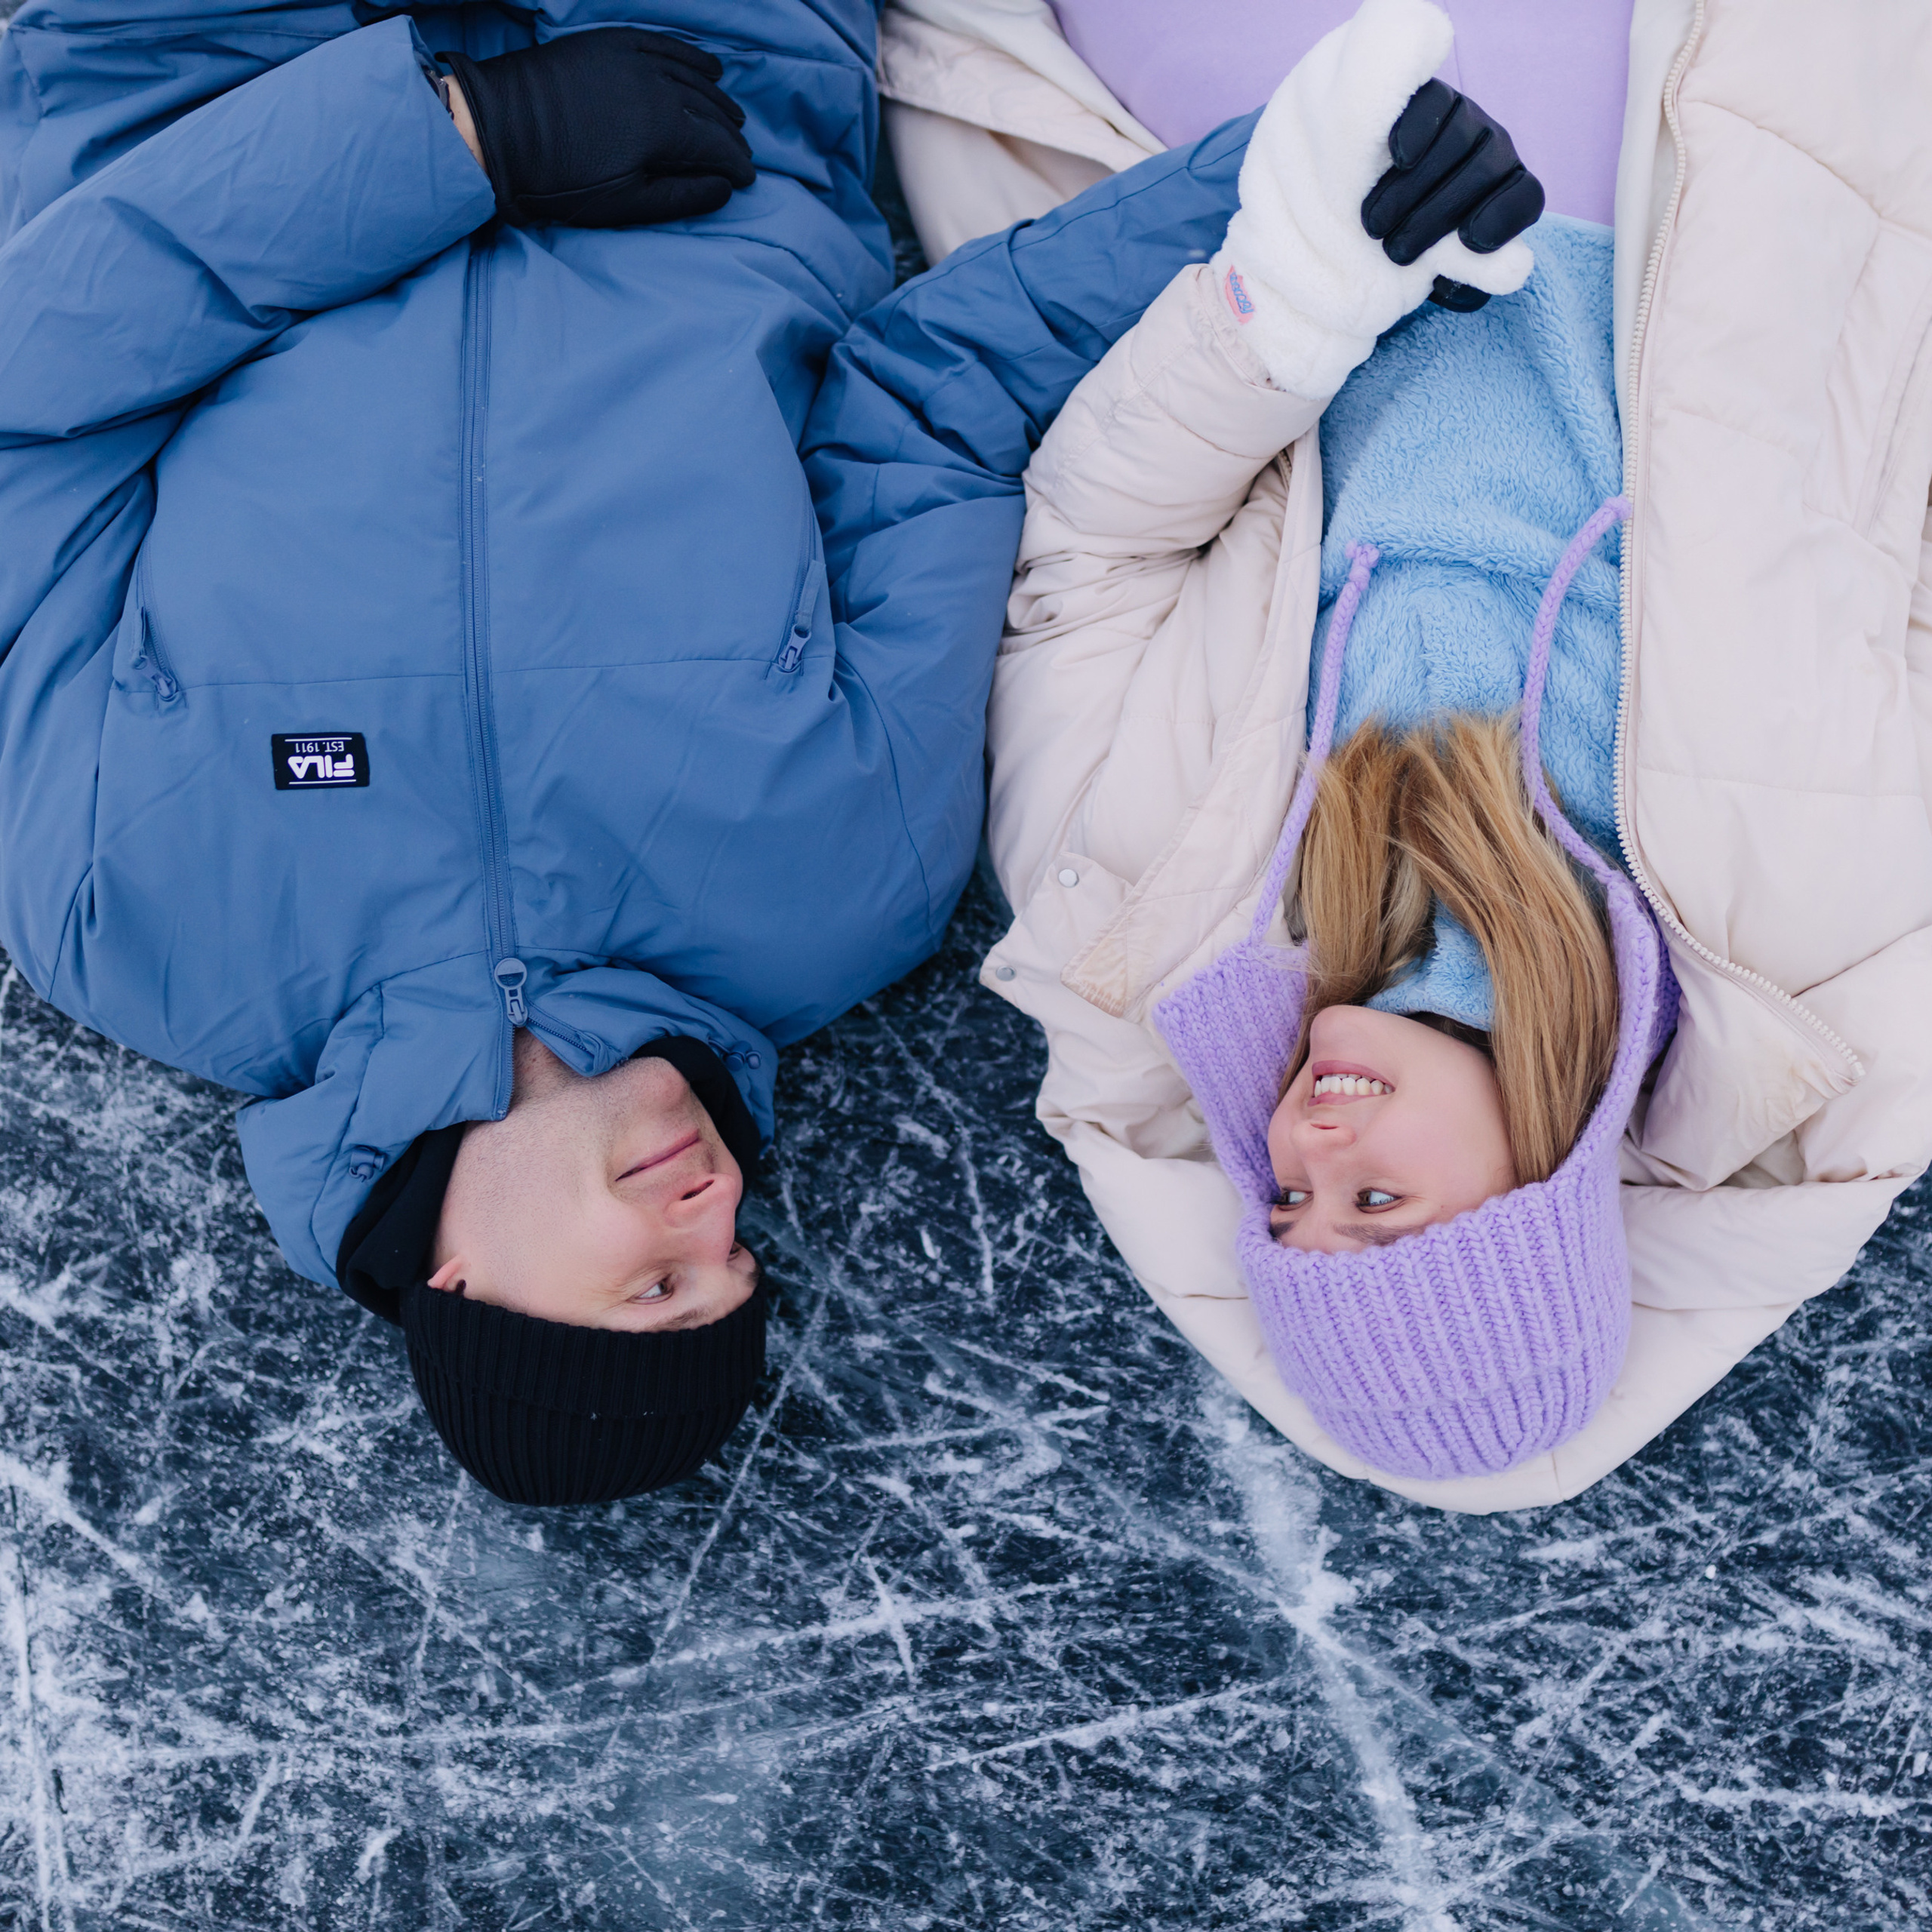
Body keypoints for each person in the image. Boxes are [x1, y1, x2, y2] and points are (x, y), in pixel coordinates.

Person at [0, 0, 1298, 1506]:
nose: (717, 1213)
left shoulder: (126, 923)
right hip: (701, 72)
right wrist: (1291, 214)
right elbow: (927, 409)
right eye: (735, 1262)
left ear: (464, 1283)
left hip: (199, 79)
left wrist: (470, 143)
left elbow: (29, 415)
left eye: (654, 1284)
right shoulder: (836, 887)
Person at [892, 0, 1932, 1509]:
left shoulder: (1137, 911)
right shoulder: (1814, 928)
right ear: (1548, 1174)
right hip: (1665, 154)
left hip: (1280, 159)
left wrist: (1291, 295)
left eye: (1289, 1201)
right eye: (1375, 1196)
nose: (1307, 1144)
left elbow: (1081, 566)